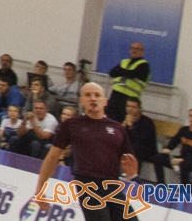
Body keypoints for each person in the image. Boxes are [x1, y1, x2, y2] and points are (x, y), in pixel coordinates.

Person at [35, 83, 137, 221]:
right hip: (87, 184)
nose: (93, 98)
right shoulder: (71, 124)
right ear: (81, 101)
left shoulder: (118, 128)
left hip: (113, 185)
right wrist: (40, 189)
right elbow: (52, 157)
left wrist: (131, 174)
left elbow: (129, 165)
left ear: (105, 101)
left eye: (97, 95)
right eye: (88, 95)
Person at [105, 41, 149, 122]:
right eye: (132, 48)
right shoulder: (124, 61)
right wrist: (125, 72)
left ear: (142, 52)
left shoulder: (144, 65)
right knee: (110, 119)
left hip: (129, 99)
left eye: (137, 49)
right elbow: (112, 72)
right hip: (115, 96)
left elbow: (132, 74)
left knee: (124, 121)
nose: (134, 50)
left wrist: (121, 71)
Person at [121, 98, 163, 182]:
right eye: (128, 106)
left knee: (136, 148)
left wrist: (130, 126)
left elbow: (141, 139)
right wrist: (123, 125)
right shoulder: (124, 119)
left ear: (139, 109)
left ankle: (133, 179)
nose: (130, 109)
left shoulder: (147, 122)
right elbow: (118, 136)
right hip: (129, 148)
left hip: (147, 150)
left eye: (133, 107)